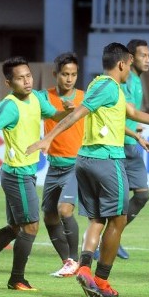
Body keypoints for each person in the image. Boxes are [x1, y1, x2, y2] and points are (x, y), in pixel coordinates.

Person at [26, 42, 149, 297]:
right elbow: (78, 114)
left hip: (85, 160)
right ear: (122, 64)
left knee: (97, 219)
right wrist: (49, 137)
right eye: (130, 64)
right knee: (118, 219)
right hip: (107, 159)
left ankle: (85, 268)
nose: (131, 69)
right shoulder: (110, 87)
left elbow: (128, 113)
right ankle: (101, 278)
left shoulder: (99, 85)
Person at [0, 57, 71, 290]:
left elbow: (54, 115)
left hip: (25, 172)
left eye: (28, 76)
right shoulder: (9, 105)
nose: (27, 81)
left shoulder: (37, 99)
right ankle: (17, 279)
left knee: (15, 228)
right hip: (17, 174)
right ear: (9, 83)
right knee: (30, 226)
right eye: (20, 78)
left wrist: (67, 111)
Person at [42, 52, 85, 277]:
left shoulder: (85, 98)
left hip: (76, 165)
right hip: (53, 166)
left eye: (74, 74)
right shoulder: (43, 97)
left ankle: (75, 259)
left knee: (64, 209)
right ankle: (68, 262)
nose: (69, 79)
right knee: (49, 216)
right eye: (65, 74)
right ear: (55, 74)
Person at [112, 38, 149, 260]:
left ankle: (114, 235)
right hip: (120, 145)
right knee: (115, 199)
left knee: (142, 194)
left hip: (132, 145)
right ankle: (105, 240)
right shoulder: (126, 80)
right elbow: (126, 111)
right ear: (130, 58)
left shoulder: (137, 80)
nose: (147, 60)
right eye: (143, 56)